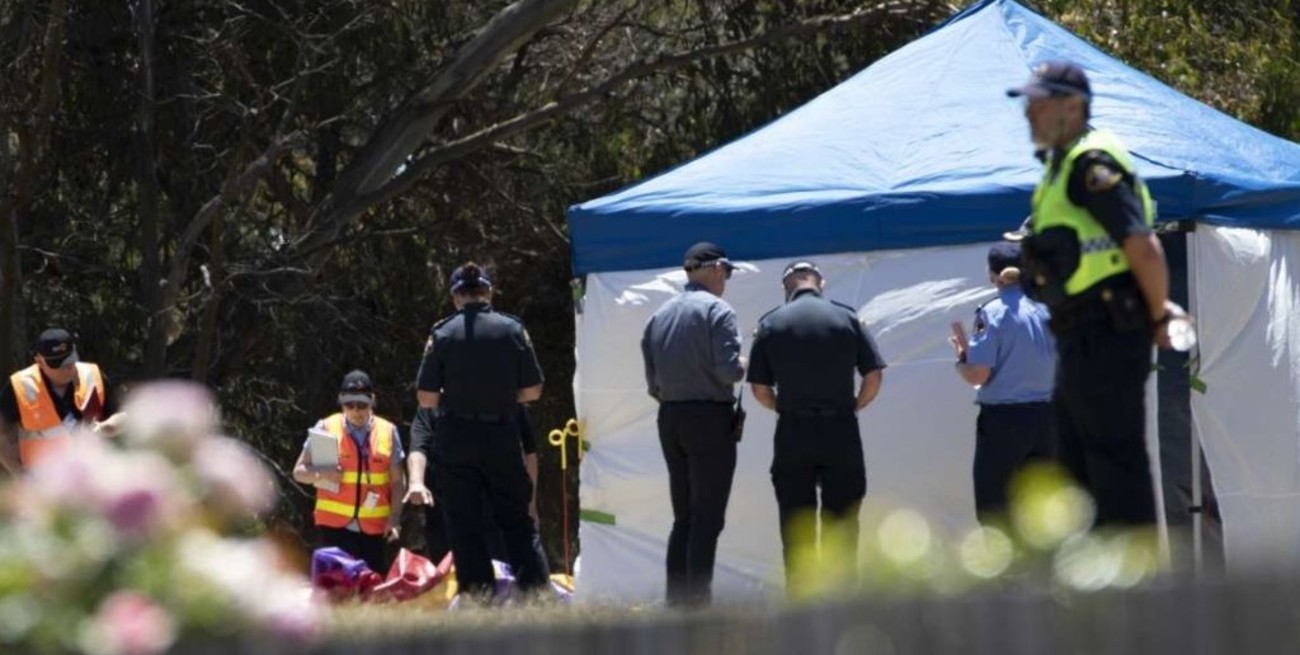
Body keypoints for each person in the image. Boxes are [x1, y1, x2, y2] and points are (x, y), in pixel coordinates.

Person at [1008, 61, 1189, 527]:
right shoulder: (1061, 167)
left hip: (1107, 327)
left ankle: (1136, 582)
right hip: (1080, 333)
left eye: (1040, 103)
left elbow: (1142, 245)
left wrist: (1158, 314)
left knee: (1113, 459)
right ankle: (1097, 578)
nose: (1029, 113)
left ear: (1073, 106)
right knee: (1077, 462)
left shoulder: (1091, 164)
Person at [404, 262, 551, 600]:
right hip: (501, 433)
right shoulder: (512, 329)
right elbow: (533, 390)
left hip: (456, 438)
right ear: (488, 292)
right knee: (516, 520)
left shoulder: (441, 334)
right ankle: (537, 597)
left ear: (456, 296)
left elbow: (426, 397)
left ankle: (478, 598)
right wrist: (499, 395)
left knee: (464, 524)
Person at [747, 261, 885, 591]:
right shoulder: (847, 318)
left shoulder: (771, 323)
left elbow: (759, 389)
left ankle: (801, 601)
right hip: (841, 430)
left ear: (786, 287)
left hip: (794, 432)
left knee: (798, 523)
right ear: (820, 283)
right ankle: (842, 598)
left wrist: (783, 407)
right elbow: (874, 376)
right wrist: (855, 405)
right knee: (842, 522)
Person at [640, 241, 745, 607]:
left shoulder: (659, 315)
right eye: (727, 272)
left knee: (683, 518)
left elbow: (652, 383)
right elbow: (729, 371)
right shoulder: (719, 311)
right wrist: (750, 360)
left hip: (670, 418)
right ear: (716, 268)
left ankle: (676, 605)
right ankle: (698, 609)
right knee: (707, 519)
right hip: (709, 419)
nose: (727, 279)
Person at [949, 243, 1057, 524]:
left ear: (992, 275)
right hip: (1050, 417)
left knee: (995, 507)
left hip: (1006, 421)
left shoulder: (991, 313)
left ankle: (1009, 569)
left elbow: (979, 375)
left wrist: (961, 361)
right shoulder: (1048, 308)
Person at [293, 370, 406, 574]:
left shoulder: (388, 431)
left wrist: (395, 518)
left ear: (372, 401)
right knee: (336, 593)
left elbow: (397, 481)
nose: (356, 410)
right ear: (341, 402)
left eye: (362, 404)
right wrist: (321, 474)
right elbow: (299, 472)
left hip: (374, 528)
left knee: (370, 592)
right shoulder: (326, 427)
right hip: (334, 529)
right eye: (349, 404)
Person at [414, 404, 540, 565]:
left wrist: (532, 503)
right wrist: (416, 481)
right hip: (447, 510)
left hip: (495, 509)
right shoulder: (432, 404)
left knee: (500, 572)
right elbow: (418, 446)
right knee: (448, 576)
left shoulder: (508, 398)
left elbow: (530, 452)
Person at [0, 328, 125, 473]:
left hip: (92, 478)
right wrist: (20, 476)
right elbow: (2, 437)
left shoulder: (93, 375)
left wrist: (108, 426)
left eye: (70, 360)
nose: (68, 367)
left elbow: (122, 415)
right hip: (43, 483)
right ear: (39, 361)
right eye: (58, 363)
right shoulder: (19, 386)